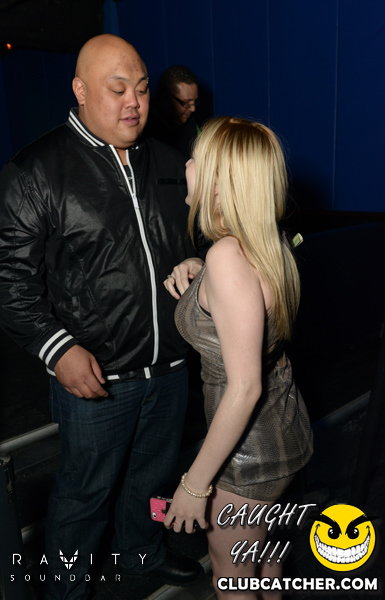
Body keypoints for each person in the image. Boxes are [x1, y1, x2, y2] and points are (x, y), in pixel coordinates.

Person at [0, 34, 205, 599]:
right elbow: (6, 273)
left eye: (142, 89)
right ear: (80, 91)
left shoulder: (170, 160)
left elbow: (198, 235)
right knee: (85, 494)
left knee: (155, 481)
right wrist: (56, 348)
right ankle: (67, 589)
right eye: (117, 88)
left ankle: (142, 552)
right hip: (97, 378)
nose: (134, 102)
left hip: (171, 367)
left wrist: (199, 259)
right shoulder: (37, 170)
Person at [163, 117, 313, 599]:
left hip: (248, 456)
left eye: (195, 159)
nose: (186, 166)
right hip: (283, 430)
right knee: (266, 568)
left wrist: (194, 486)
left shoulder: (228, 258)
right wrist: (200, 269)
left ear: (217, 181)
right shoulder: (263, 242)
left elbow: (244, 387)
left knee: (231, 580)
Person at [144, 65, 200, 160]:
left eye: (195, 102)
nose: (193, 109)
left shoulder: (192, 126)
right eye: (186, 103)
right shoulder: (144, 128)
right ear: (166, 98)